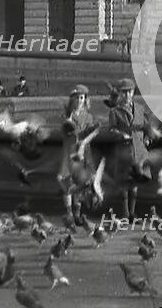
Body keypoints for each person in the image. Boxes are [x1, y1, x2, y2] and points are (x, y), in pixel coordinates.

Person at [107, 78, 150, 222]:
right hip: (124, 150)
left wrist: (147, 139)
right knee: (125, 183)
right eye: (123, 92)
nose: (126, 95)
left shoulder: (140, 108)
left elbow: (146, 127)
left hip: (138, 150)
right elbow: (111, 129)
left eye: (129, 92)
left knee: (135, 183)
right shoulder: (115, 111)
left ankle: (132, 213)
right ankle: (125, 213)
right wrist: (120, 134)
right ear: (119, 94)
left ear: (133, 93)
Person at [57, 84, 97, 222]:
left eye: (82, 97)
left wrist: (84, 142)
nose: (79, 100)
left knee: (81, 181)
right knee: (68, 180)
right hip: (70, 150)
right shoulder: (67, 114)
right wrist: (67, 124)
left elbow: (92, 132)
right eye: (77, 98)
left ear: (85, 99)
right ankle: (69, 212)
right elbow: (63, 132)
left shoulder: (88, 117)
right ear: (72, 99)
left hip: (83, 151)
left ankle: (77, 212)